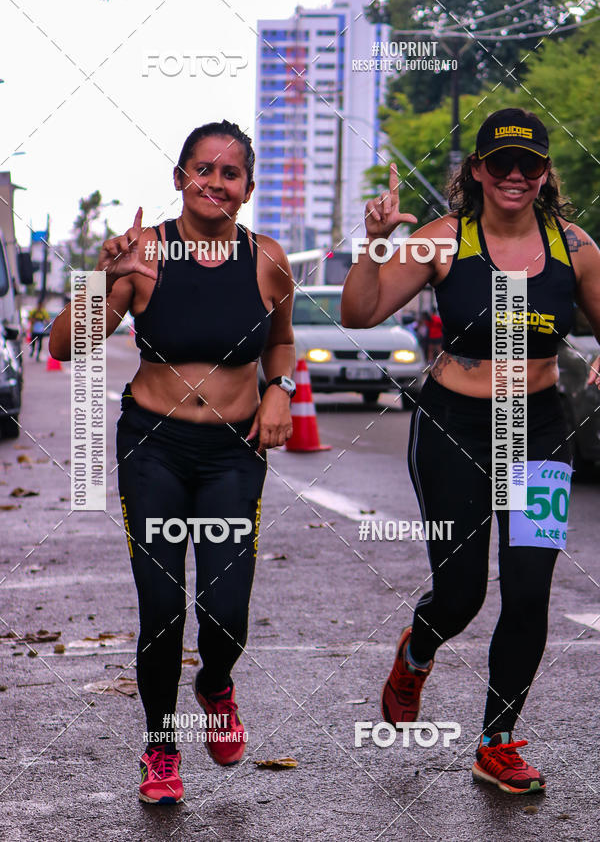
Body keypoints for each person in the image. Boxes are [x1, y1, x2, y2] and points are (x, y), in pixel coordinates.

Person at [341, 108, 600, 794]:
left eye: (531, 165)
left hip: (537, 431)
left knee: (528, 590)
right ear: (478, 171)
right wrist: (373, 244)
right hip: (455, 425)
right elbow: (359, 314)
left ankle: (498, 741)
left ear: (546, 174)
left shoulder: (574, 248)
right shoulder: (440, 241)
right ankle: (419, 648)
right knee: (460, 595)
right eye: (501, 164)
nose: (516, 176)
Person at [49, 120, 296, 805]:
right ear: (180, 177)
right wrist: (102, 277)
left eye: (230, 173)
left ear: (247, 188)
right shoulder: (145, 257)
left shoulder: (269, 260)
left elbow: (281, 343)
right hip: (153, 446)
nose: (215, 183)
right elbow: (68, 346)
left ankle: (215, 683)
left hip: (233, 454)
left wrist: (281, 391)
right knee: (162, 606)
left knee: (225, 611)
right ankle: (161, 748)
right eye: (202, 170)